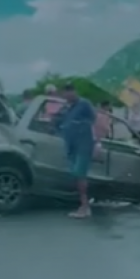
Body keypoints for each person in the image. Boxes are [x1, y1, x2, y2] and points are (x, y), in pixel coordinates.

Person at [56, 82, 96, 218]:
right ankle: (83, 204)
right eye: (66, 91)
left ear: (74, 91)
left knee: (80, 174)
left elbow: (95, 121)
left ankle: (85, 207)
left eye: (70, 90)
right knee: (77, 175)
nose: (68, 93)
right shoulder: (67, 108)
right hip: (71, 146)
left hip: (83, 145)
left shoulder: (84, 104)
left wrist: (98, 142)